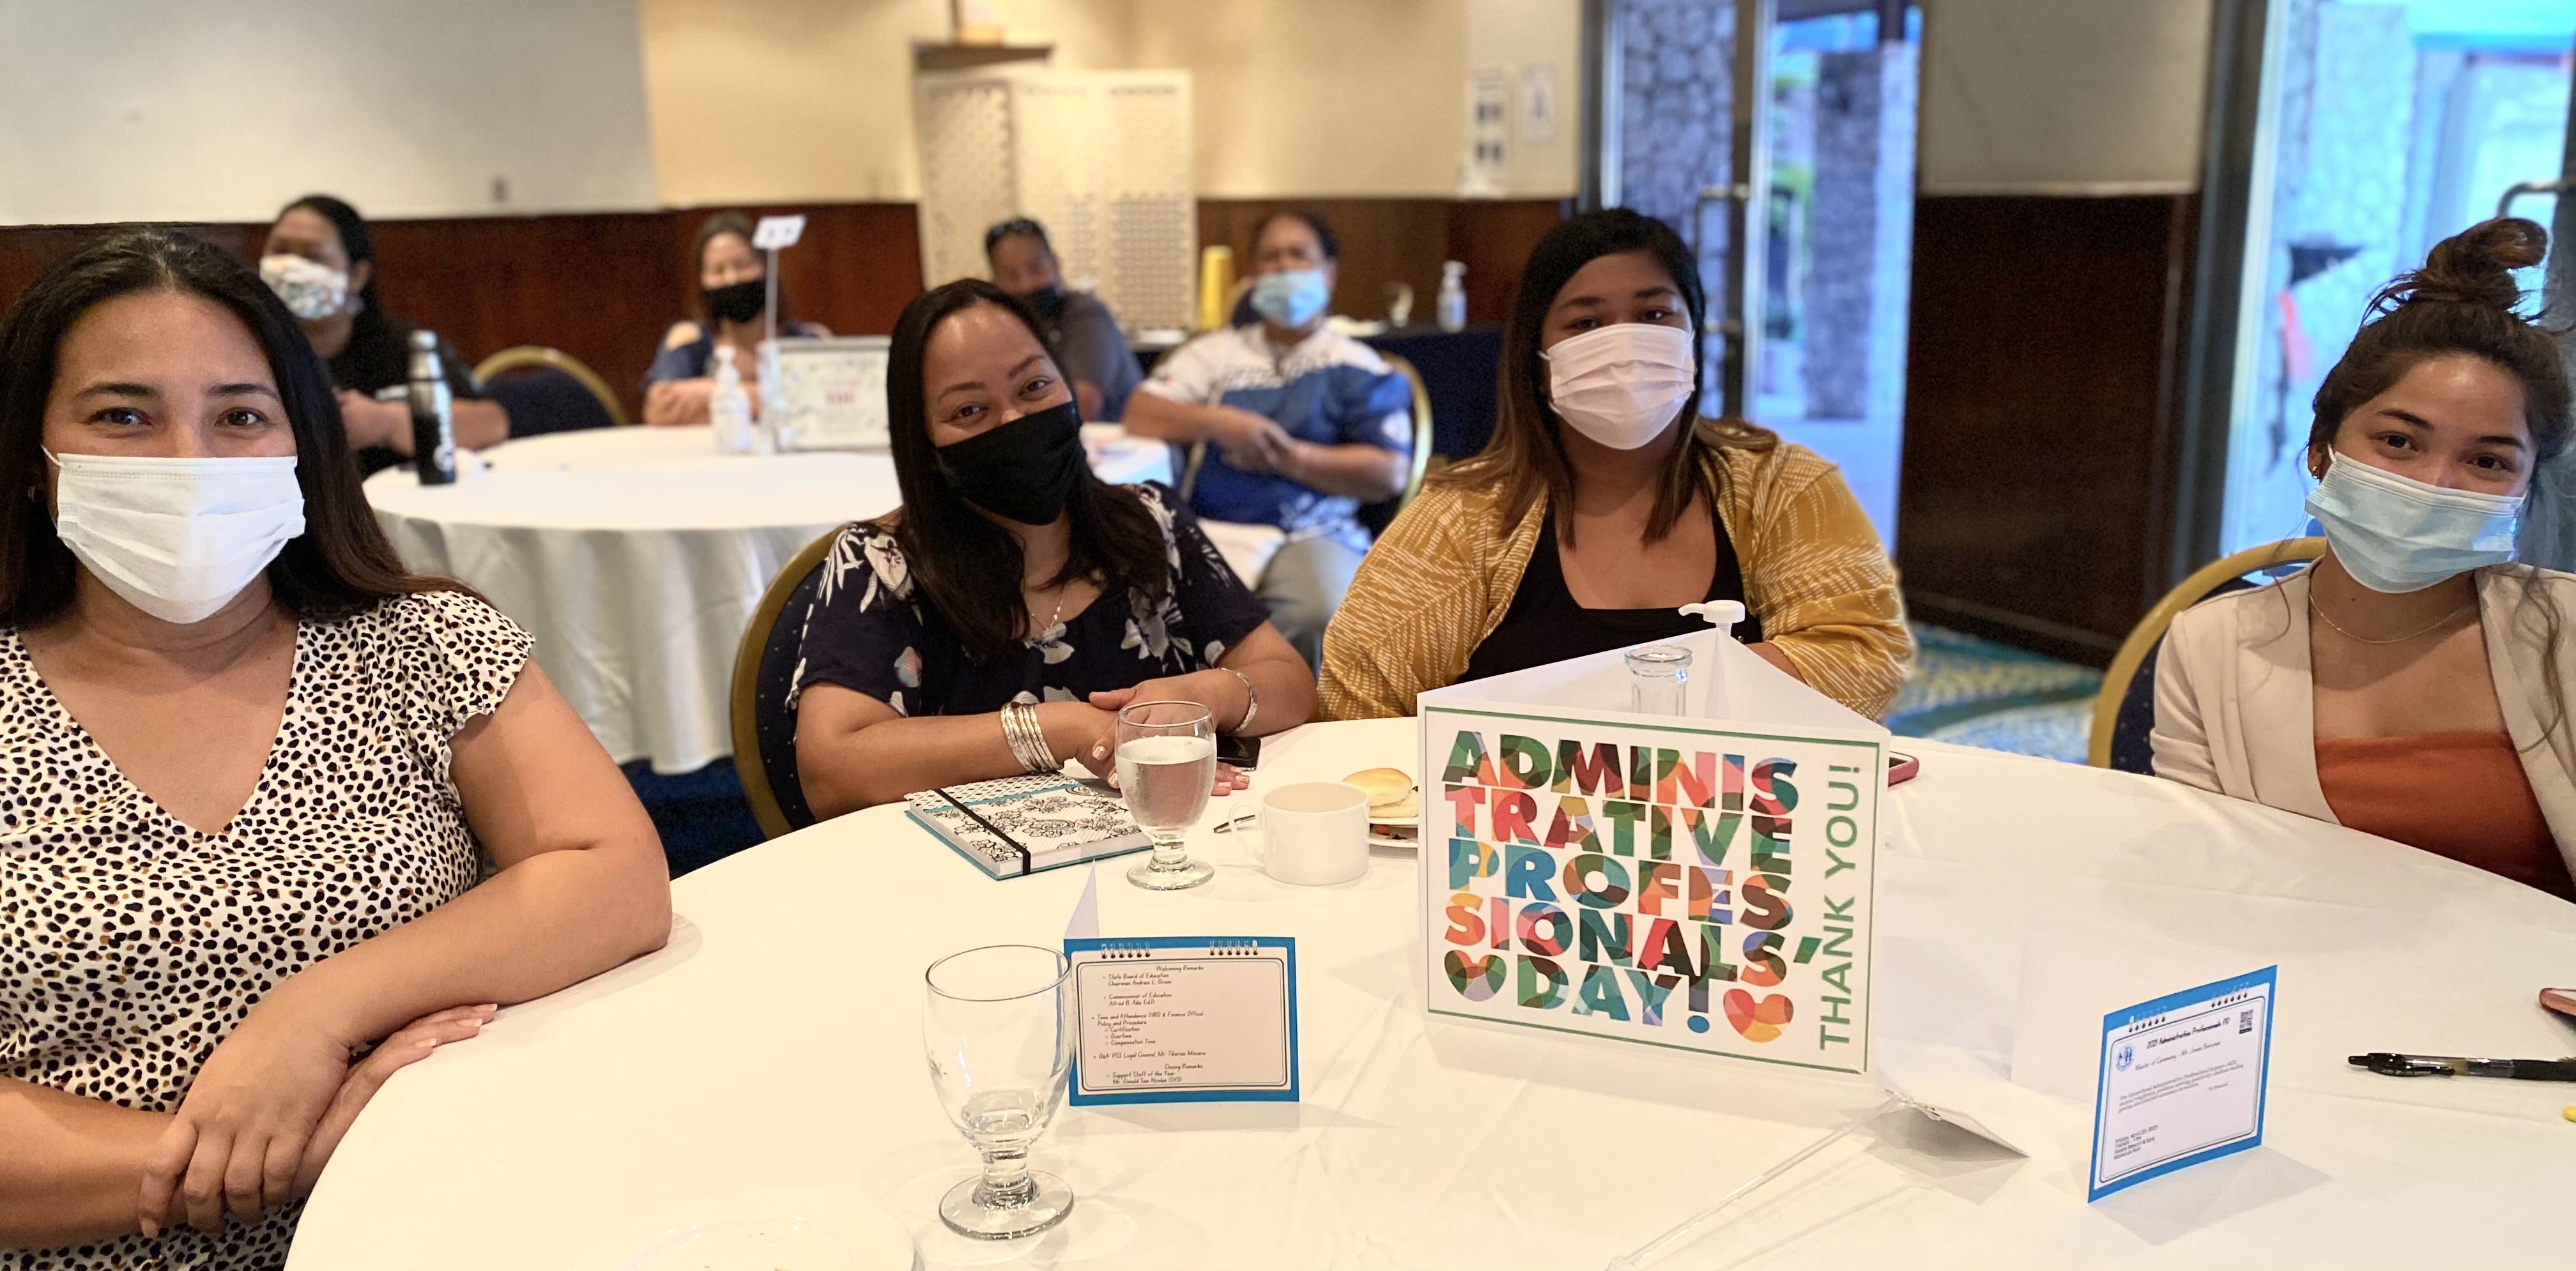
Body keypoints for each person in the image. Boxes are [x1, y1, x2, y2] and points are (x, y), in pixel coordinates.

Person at [0, 231, 671, 1263]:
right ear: (34, 460)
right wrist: (290, 1161)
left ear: (303, 448)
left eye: (240, 416)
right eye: (123, 416)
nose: (189, 459)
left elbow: (615, 876)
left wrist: (312, 1011)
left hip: (449, 1227)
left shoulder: (426, 643)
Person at [1318, 208, 1912, 720]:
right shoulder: (1463, 515)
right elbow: (1357, 696)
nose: (1625, 346)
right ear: (1539, 362)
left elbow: (1862, 660)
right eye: (1586, 323)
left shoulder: (1781, 486)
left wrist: (1610, 699)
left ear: (1694, 338)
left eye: (1654, 315)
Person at [2154, 218, 2576, 900]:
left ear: (2526, 484)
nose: (2434, 484)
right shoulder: (2212, 647)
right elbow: (2202, 879)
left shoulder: (2567, 633)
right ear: (2323, 447)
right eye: (2399, 442)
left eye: (2488, 461)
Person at [792, 278, 1316, 817]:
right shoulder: (880, 563)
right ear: (923, 443)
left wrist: (1207, 696)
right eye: (970, 410)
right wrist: (1063, 730)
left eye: (1035, 386)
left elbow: (1292, 684)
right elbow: (831, 769)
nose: (1015, 421)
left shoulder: (1150, 524)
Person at [1123, 211, 1413, 667]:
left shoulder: (1359, 366)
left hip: (1314, 531)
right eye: (1270, 257)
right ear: (1254, 275)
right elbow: (1140, 412)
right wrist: (1222, 422)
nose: (1284, 267)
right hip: (1210, 529)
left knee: (1316, 613)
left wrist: (1289, 458)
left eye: (1299, 255)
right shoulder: (1214, 353)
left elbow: (1389, 472)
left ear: (1329, 273)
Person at [259, 195, 507, 475]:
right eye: (280, 250)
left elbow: (492, 422)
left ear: (357, 275)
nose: (289, 268)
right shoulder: (249, 348)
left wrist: (386, 422)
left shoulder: (403, 345)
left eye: (311, 256)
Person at [641, 213, 831, 425]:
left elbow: (823, 406)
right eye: (717, 270)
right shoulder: (690, 338)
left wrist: (708, 397)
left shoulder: (807, 339)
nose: (731, 279)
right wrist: (765, 399)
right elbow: (659, 409)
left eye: (742, 265)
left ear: (766, 268)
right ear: (701, 279)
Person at [985, 217, 1142, 422]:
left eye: (1036, 268)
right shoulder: (1006, 330)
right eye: (1012, 276)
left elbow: (1082, 408)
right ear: (994, 282)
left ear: (1056, 264)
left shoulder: (1085, 315)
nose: (1027, 285)